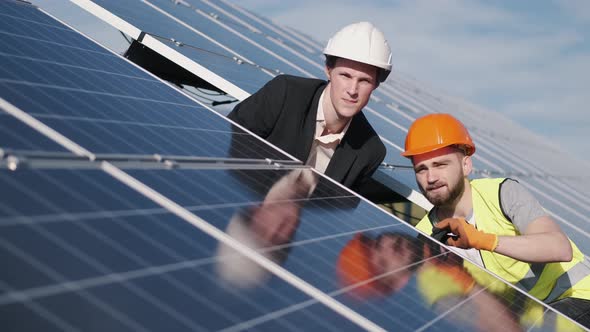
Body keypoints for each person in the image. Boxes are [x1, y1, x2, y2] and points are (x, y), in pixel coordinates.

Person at [402, 113, 590, 328]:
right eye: (421, 169)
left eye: (440, 165)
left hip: (579, 296)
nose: (431, 178)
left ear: (466, 165)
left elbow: (559, 248)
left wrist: (485, 240)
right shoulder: (426, 238)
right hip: (525, 321)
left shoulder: (502, 193)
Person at [228, 22, 389, 192]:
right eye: (345, 76)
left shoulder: (370, 151)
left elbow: (337, 212)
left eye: (364, 81)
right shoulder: (285, 94)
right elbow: (225, 143)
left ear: (376, 85)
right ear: (328, 70)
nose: (352, 90)